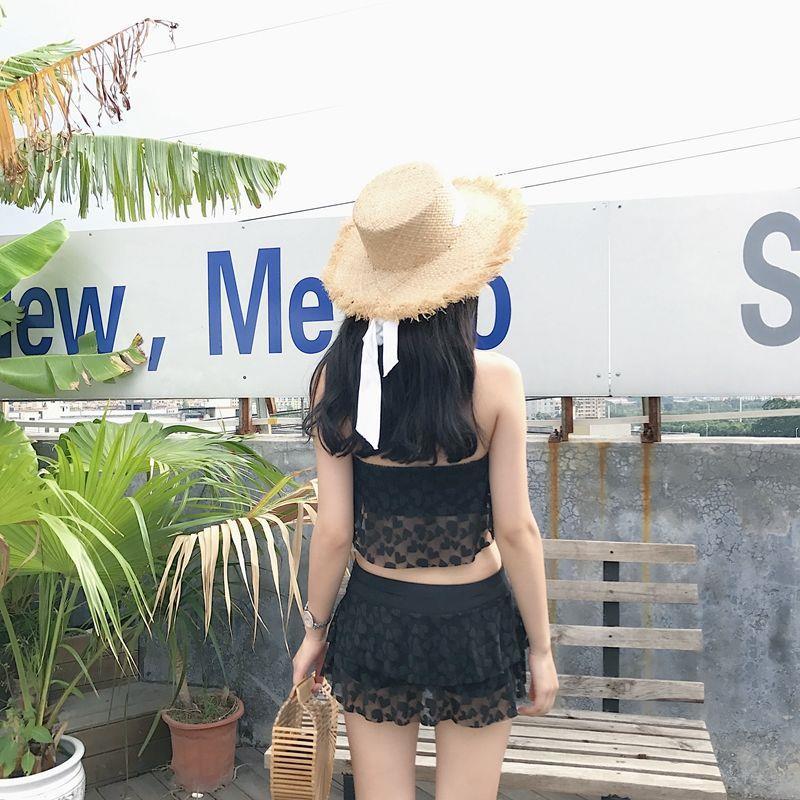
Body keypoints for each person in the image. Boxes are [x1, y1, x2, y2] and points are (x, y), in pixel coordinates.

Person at [295, 161, 558, 800]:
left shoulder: (336, 381)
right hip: (475, 621)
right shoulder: (497, 382)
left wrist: (314, 632)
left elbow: (333, 533)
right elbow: (517, 530)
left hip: (377, 615)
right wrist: (542, 650)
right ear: (461, 284)